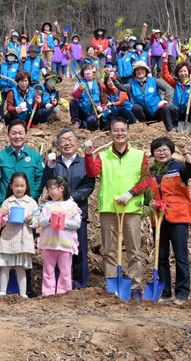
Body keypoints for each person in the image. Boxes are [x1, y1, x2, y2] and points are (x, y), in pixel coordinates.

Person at [84, 117, 151, 301]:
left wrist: (131, 192)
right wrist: (89, 153)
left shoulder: (139, 155)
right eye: (116, 130)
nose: (119, 133)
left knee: (134, 249)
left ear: (128, 133)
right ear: (110, 133)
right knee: (109, 250)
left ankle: (136, 287)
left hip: (131, 208)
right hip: (109, 207)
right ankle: (112, 285)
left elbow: (146, 180)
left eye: (123, 130)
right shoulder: (103, 156)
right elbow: (92, 172)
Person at [42, 128, 95, 289]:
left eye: (70, 139)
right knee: (58, 249)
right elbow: (46, 183)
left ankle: (80, 285)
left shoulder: (84, 163)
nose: (67, 143)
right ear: (57, 145)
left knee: (79, 249)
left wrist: (72, 197)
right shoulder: (54, 163)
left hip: (77, 212)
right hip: (56, 214)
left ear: (76, 142)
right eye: (63, 140)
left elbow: (89, 185)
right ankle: (58, 285)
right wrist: (49, 167)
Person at [149, 137, 191, 305]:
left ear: (171, 151)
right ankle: (165, 292)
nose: (161, 153)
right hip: (158, 219)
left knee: (180, 256)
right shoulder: (150, 172)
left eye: (165, 149)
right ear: (153, 153)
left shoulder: (179, 167)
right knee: (161, 256)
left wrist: (185, 152)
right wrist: (150, 202)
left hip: (178, 217)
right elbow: (146, 194)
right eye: (158, 150)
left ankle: (182, 292)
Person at [36, 177, 82, 296]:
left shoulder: (71, 205)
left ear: (62, 188)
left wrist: (63, 222)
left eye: (52, 188)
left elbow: (77, 223)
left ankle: (64, 293)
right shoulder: (48, 205)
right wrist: (50, 219)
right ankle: (48, 293)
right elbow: (40, 222)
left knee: (65, 272)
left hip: (65, 244)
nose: (50, 192)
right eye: (48, 189)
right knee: (48, 271)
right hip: (49, 243)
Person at [0, 172, 39, 298]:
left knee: (21, 268)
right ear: (11, 186)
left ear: (26, 187)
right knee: (5, 266)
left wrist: (30, 220)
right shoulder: (7, 202)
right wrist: (2, 215)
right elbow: (0, 223)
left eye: (22, 186)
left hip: (23, 239)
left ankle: (23, 293)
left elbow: (37, 221)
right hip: (8, 239)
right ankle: (2, 291)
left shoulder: (31, 203)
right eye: (16, 186)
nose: (19, 188)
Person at [124, 61, 176, 132]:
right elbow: (121, 87)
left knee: (165, 107)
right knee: (135, 107)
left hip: (157, 112)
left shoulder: (154, 81)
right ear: (134, 72)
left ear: (146, 71)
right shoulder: (132, 85)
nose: (140, 71)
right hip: (145, 114)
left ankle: (170, 129)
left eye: (142, 69)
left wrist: (166, 99)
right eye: (138, 70)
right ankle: (145, 127)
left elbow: (168, 88)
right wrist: (114, 79)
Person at [161, 60, 191, 131]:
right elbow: (165, 76)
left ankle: (190, 125)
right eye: (180, 71)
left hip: (188, 112)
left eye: (185, 71)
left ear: (188, 72)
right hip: (178, 111)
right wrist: (165, 62)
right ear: (177, 73)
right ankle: (175, 125)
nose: (183, 73)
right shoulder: (176, 83)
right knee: (170, 108)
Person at [70, 63, 102, 130]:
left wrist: (101, 106)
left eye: (89, 69)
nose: (88, 72)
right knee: (73, 102)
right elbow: (74, 95)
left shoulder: (98, 82)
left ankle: (94, 125)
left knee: (91, 121)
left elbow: (103, 96)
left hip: (93, 111)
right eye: (85, 70)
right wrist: (79, 89)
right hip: (82, 110)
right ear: (82, 72)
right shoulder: (80, 83)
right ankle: (76, 121)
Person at [0, 48, 21, 117]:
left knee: (11, 104)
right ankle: (1, 118)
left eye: (12, 55)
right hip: (3, 88)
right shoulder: (3, 65)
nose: (11, 57)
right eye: (9, 55)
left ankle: (11, 118)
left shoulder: (17, 66)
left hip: (12, 88)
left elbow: (20, 77)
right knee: (0, 104)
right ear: (7, 56)